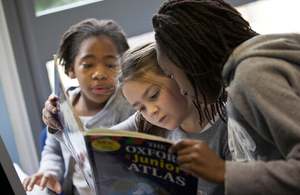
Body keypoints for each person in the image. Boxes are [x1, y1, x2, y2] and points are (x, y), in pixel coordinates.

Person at [41, 41, 231, 195]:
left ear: (177, 76)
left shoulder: (227, 125)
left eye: (154, 95)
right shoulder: (147, 122)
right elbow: (92, 142)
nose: (151, 111)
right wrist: (59, 121)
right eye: (140, 108)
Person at [152, 0, 300, 194]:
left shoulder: (252, 76)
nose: (182, 91)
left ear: (190, 57)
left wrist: (223, 172)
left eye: (172, 75)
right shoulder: (254, 69)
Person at [22, 18, 135, 195]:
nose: (99, 74)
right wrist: (49, 172)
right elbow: (53, 152)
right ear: (71, 69)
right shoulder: (61, 106)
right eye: (88, 65)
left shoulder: (130, 110)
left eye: (111, 65)